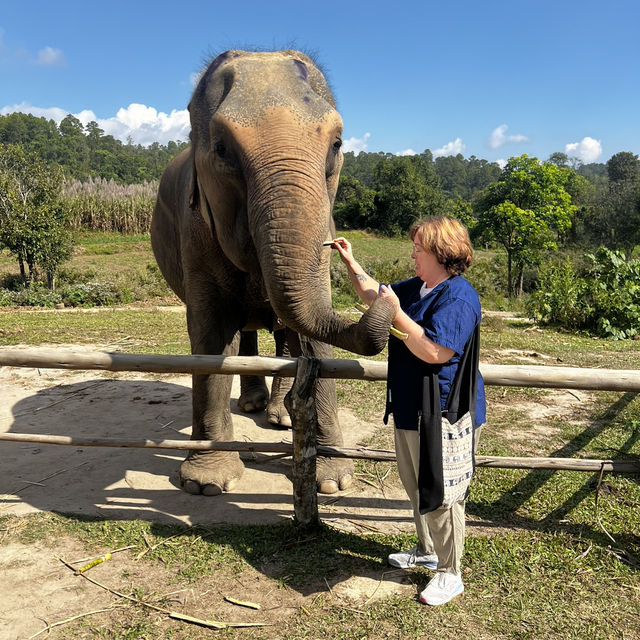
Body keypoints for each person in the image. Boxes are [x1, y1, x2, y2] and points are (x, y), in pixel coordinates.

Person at [332, 216, 485, 606]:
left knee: (441, 493)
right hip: (410, 407)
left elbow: (435, 351)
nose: (413, 253)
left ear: (440, 252)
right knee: (417, 486)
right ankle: (427, 551)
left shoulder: (458, 298)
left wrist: (397, 313)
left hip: (443, 413)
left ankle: (451, 573)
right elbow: (373, 295)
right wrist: (350, 262)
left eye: (418, 247)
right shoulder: (418, 287)